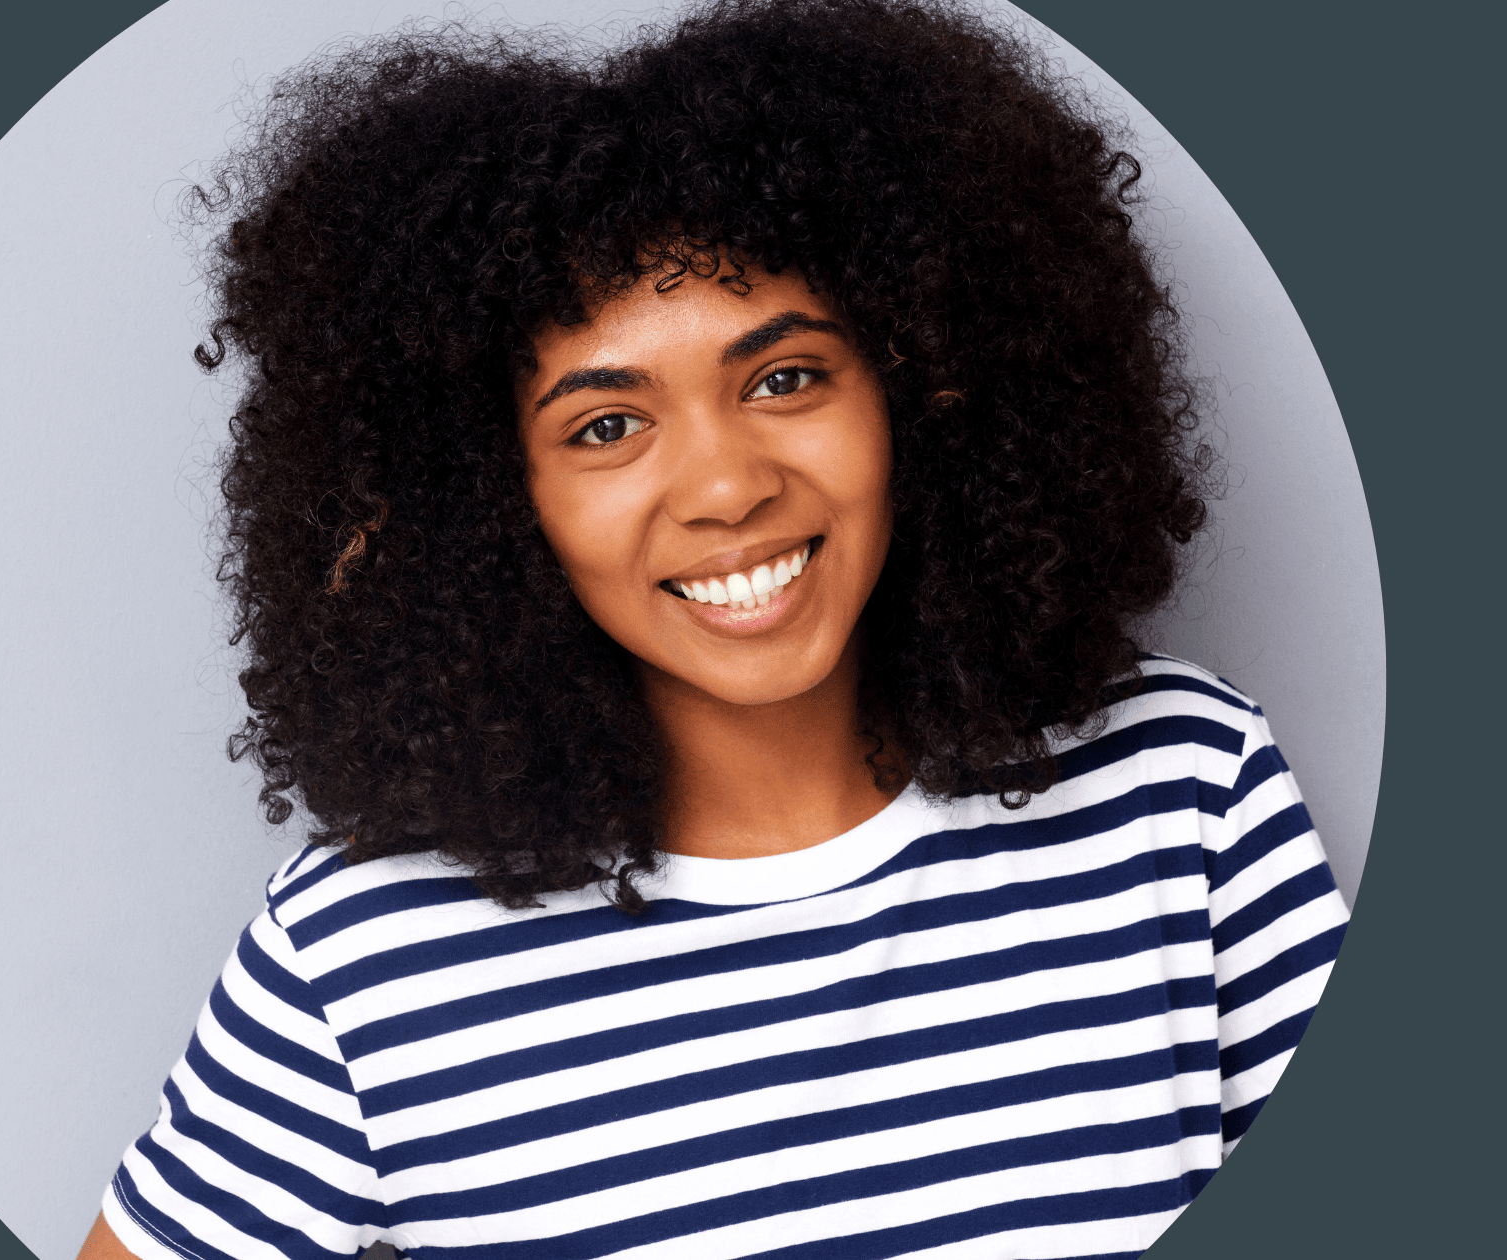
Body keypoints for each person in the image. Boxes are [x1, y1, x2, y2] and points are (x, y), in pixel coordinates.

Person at [77, 1, 1348, 1257]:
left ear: (921, 387)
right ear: (485, 503)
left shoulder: (1177, 784)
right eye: (603, 426)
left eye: (784, 378)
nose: (727, 487)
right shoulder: (364, 957)